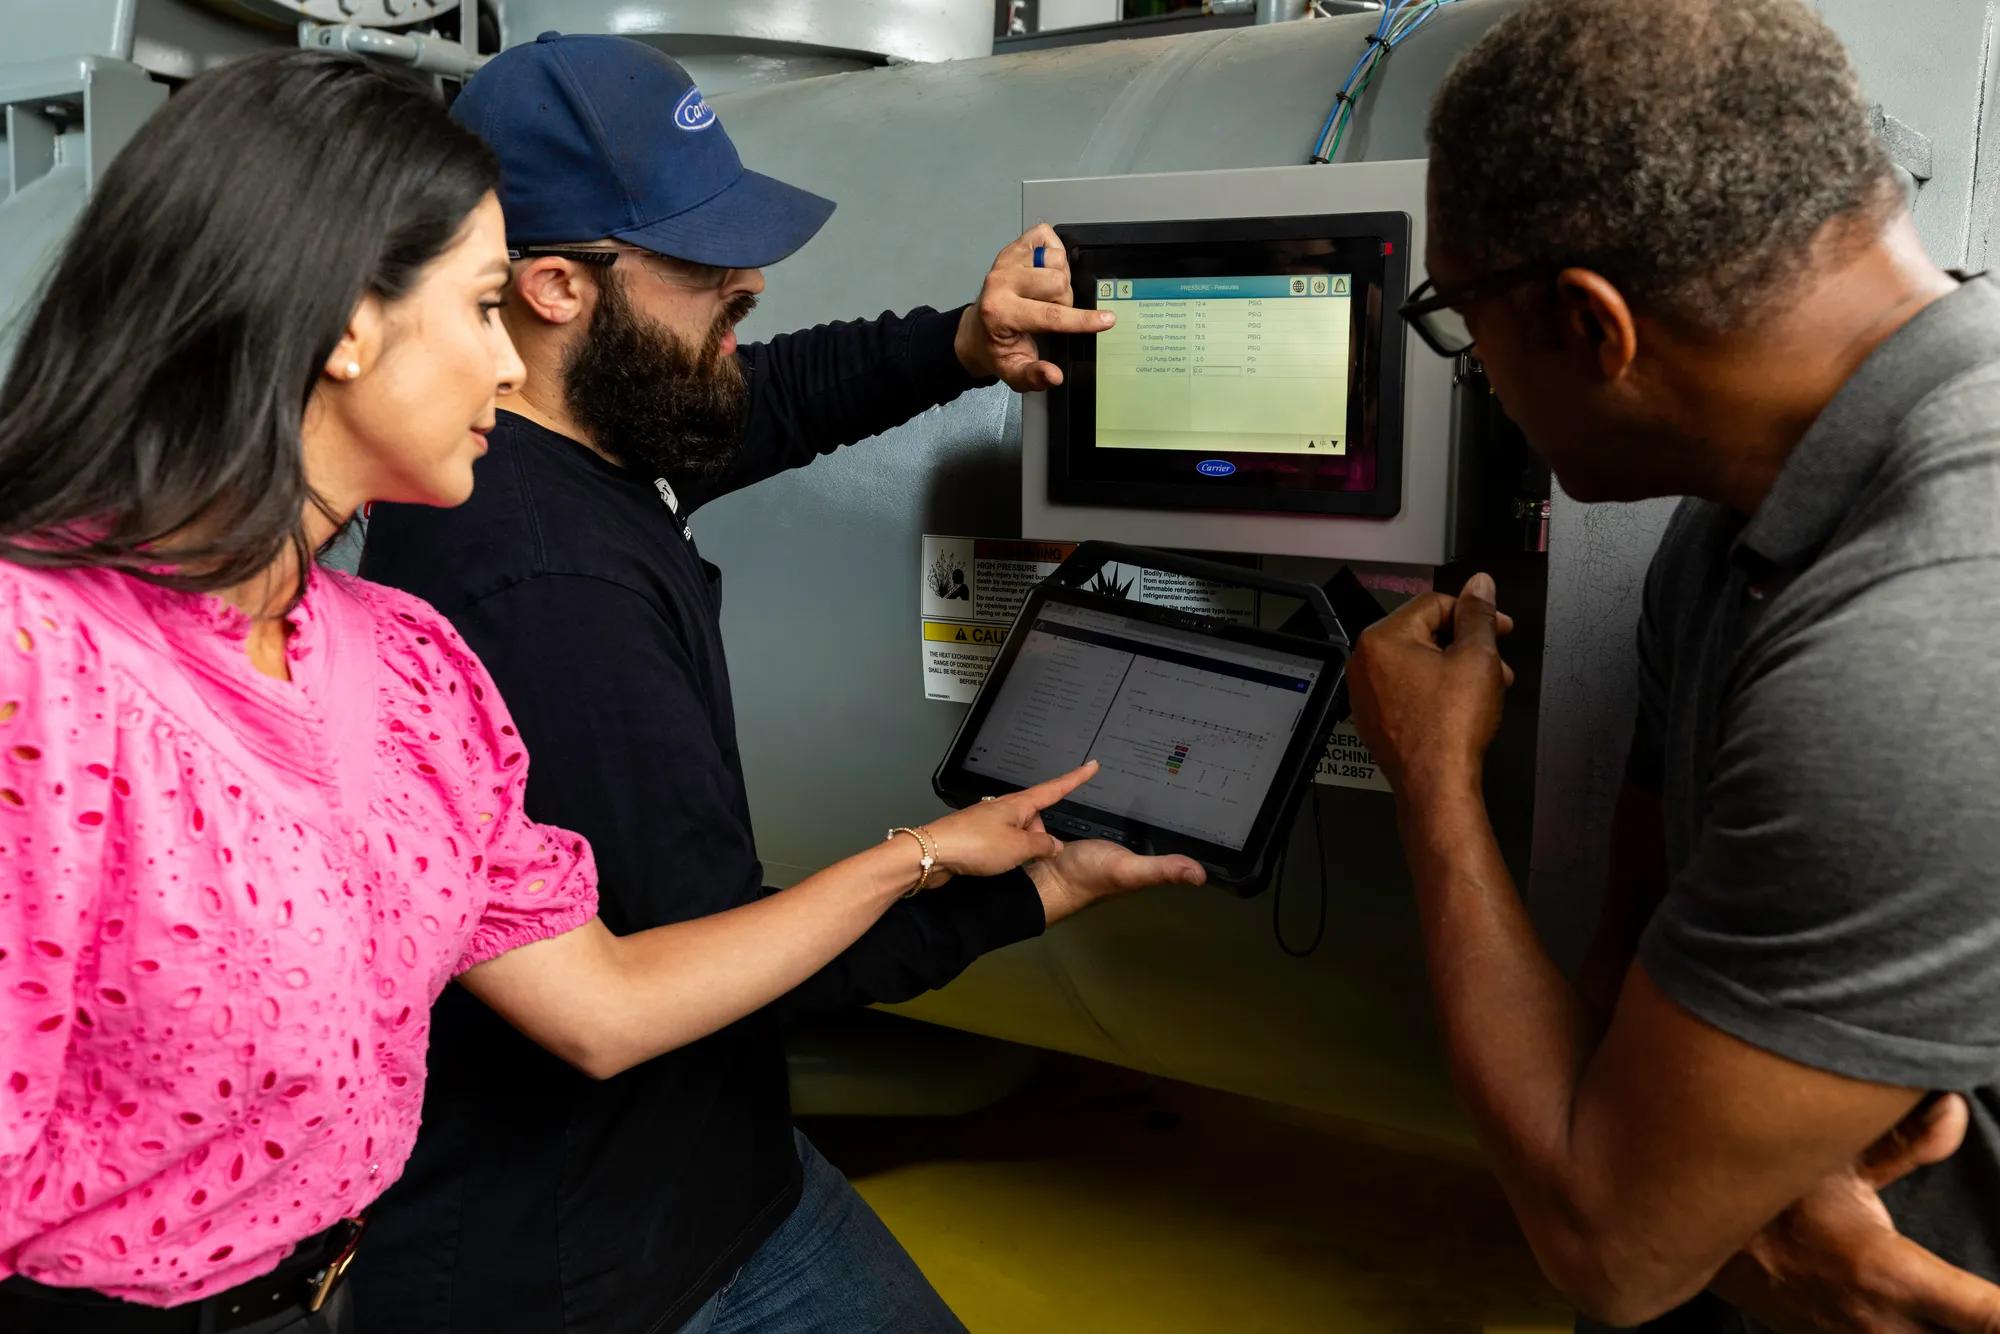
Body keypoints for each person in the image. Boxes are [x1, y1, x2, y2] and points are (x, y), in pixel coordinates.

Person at [0, 50, 1098, 1334]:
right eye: (479, 308)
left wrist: (936, 862)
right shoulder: (45, 676)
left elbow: (602, 999)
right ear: (351, 325)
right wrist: (983, 889)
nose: (508, 370)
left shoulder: (402, 661)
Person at [354, 33, 1204, 1334]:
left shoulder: (571, 433)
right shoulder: (546, 587)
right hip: (606, 1265)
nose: (746, 280)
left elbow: (762, 402)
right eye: (702, 263)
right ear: (555, 287)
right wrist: (1026, 892)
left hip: (714, 1168)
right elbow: (722, 965)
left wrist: (965, 343)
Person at [1348, 1, 2000, 1330]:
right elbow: (1627, 954)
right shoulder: (1727, 535)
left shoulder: (1912, 640)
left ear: (1591, 327)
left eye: (1464, 323)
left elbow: (1611, 1246)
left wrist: (1430, 771)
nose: (1480, 376)